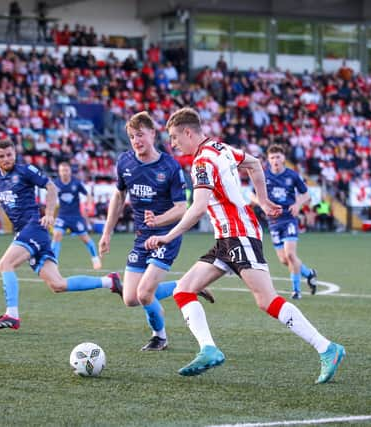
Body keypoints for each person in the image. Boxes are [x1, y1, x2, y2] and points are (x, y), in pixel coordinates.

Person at [145, 107, 345, 383]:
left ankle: (327, 348)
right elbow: (254, 164)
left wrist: (168, 235)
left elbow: (198, 207)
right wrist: (262, 200)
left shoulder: (202, 161)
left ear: (188, 132)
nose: (173, 143)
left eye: (174, 137)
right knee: (183, 289)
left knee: (267, 300)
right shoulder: (221, 148)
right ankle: (208, 349)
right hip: (226, 238)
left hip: (238, 235)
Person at [98, 111, 213, 351]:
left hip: (166, 237)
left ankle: (159, 336)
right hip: (142, 237)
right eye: (131, 136)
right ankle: (187, 284)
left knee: (144, 293)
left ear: (153, 133)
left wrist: (158, 220)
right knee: (130, 298)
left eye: (140, 134)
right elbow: (118, 196)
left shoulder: (169, 166)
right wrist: (106, 232)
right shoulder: (125, 162)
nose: (136, 140)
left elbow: (183, 208)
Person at [0, 139, 121, 330]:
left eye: (9, 154)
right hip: (26, 232)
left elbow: (51, 187)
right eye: (1, 156)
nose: (6, 159)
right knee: (58, 284)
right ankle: (109, 281)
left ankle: (12, 315)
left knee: (5, 264)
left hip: (34, 228)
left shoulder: (25, 170)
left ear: (15, 154)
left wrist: (49, 213)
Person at [260, 144, 318, 300]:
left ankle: (296, 291)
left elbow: (307, 195)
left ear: (283, 158)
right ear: (268, 160)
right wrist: (262, 204)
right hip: (273, 222)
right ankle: (309, 273)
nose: (275, 160)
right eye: (272, 157)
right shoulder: (264, 176)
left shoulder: (292, 175)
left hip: (289, 220)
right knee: (284, 260)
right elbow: (252, 194)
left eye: (278, 157)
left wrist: (298, 203)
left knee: (291, 255)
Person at [51, 162, 101, 270]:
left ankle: (95, 259)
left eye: (66, 170)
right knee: (56, 235)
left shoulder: (76, 183)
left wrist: (88, 204)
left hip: (75, 216)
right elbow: (51, 197)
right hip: (62, 216)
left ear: (70, 171)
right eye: (62, 171)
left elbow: (87, 195)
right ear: (59, 172)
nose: (64, 173)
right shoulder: (56, 184)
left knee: (85, 238)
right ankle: (53, 261)